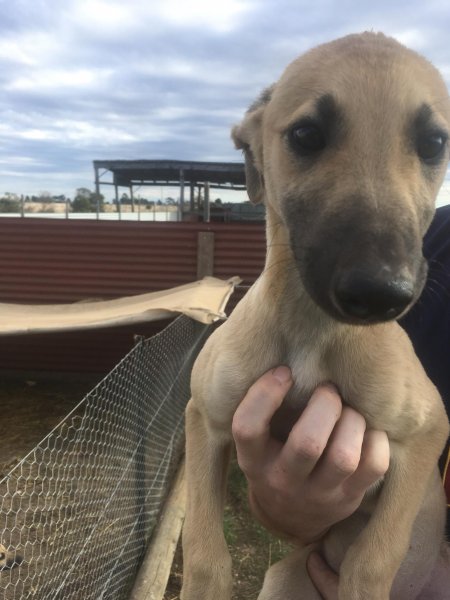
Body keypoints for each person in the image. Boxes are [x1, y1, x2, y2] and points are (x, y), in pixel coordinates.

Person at [232, 205, 450, 599]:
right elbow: (291, 511)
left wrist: (372, 575)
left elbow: (432, 427)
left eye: (431, 145)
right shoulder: (433, 243)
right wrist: (286, 508)